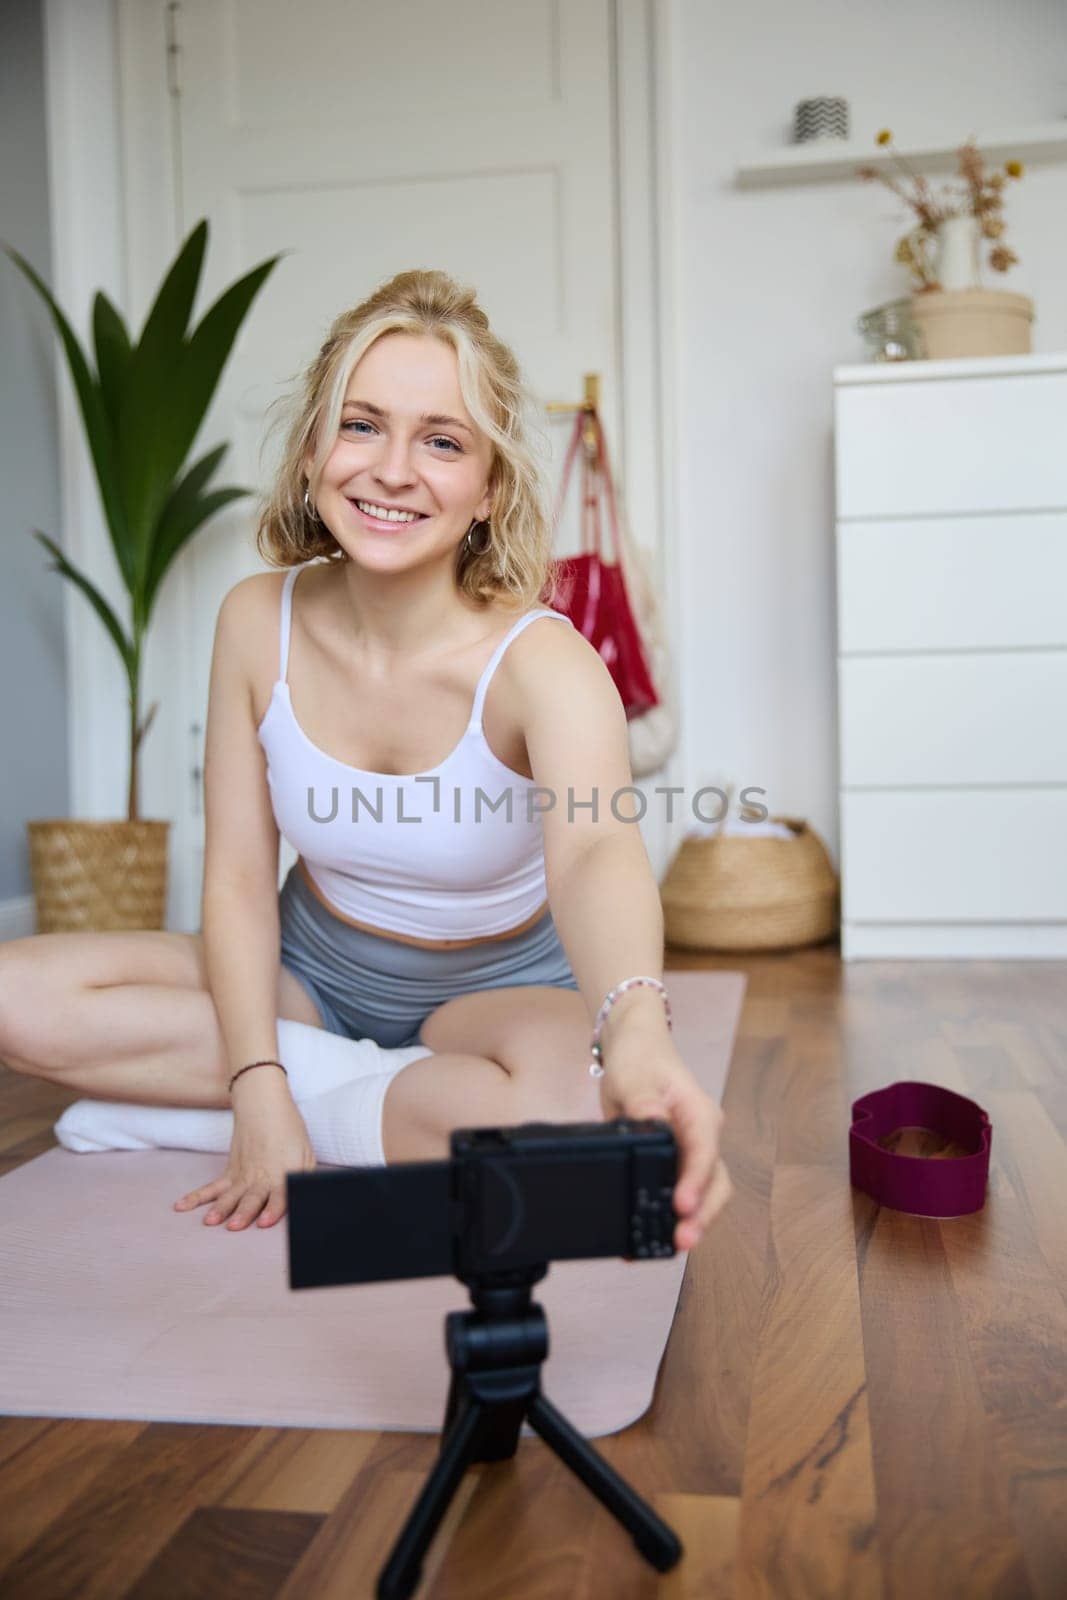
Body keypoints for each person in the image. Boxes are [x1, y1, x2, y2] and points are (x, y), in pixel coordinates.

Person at [0, 268, 732, 1248]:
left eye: (441, 441)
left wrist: (634, 1026)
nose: (392, 470)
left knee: (575, 1117)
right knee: (17, 999)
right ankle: (297, 1096)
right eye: (359, 425)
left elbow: (596, 855)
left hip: (501, 997)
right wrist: (259, 1074)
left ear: (487, 489)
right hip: (311, 968)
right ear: (311, 452)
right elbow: (234, 872)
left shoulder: (544, 663)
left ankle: (276, 1108)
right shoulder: (256, 620)